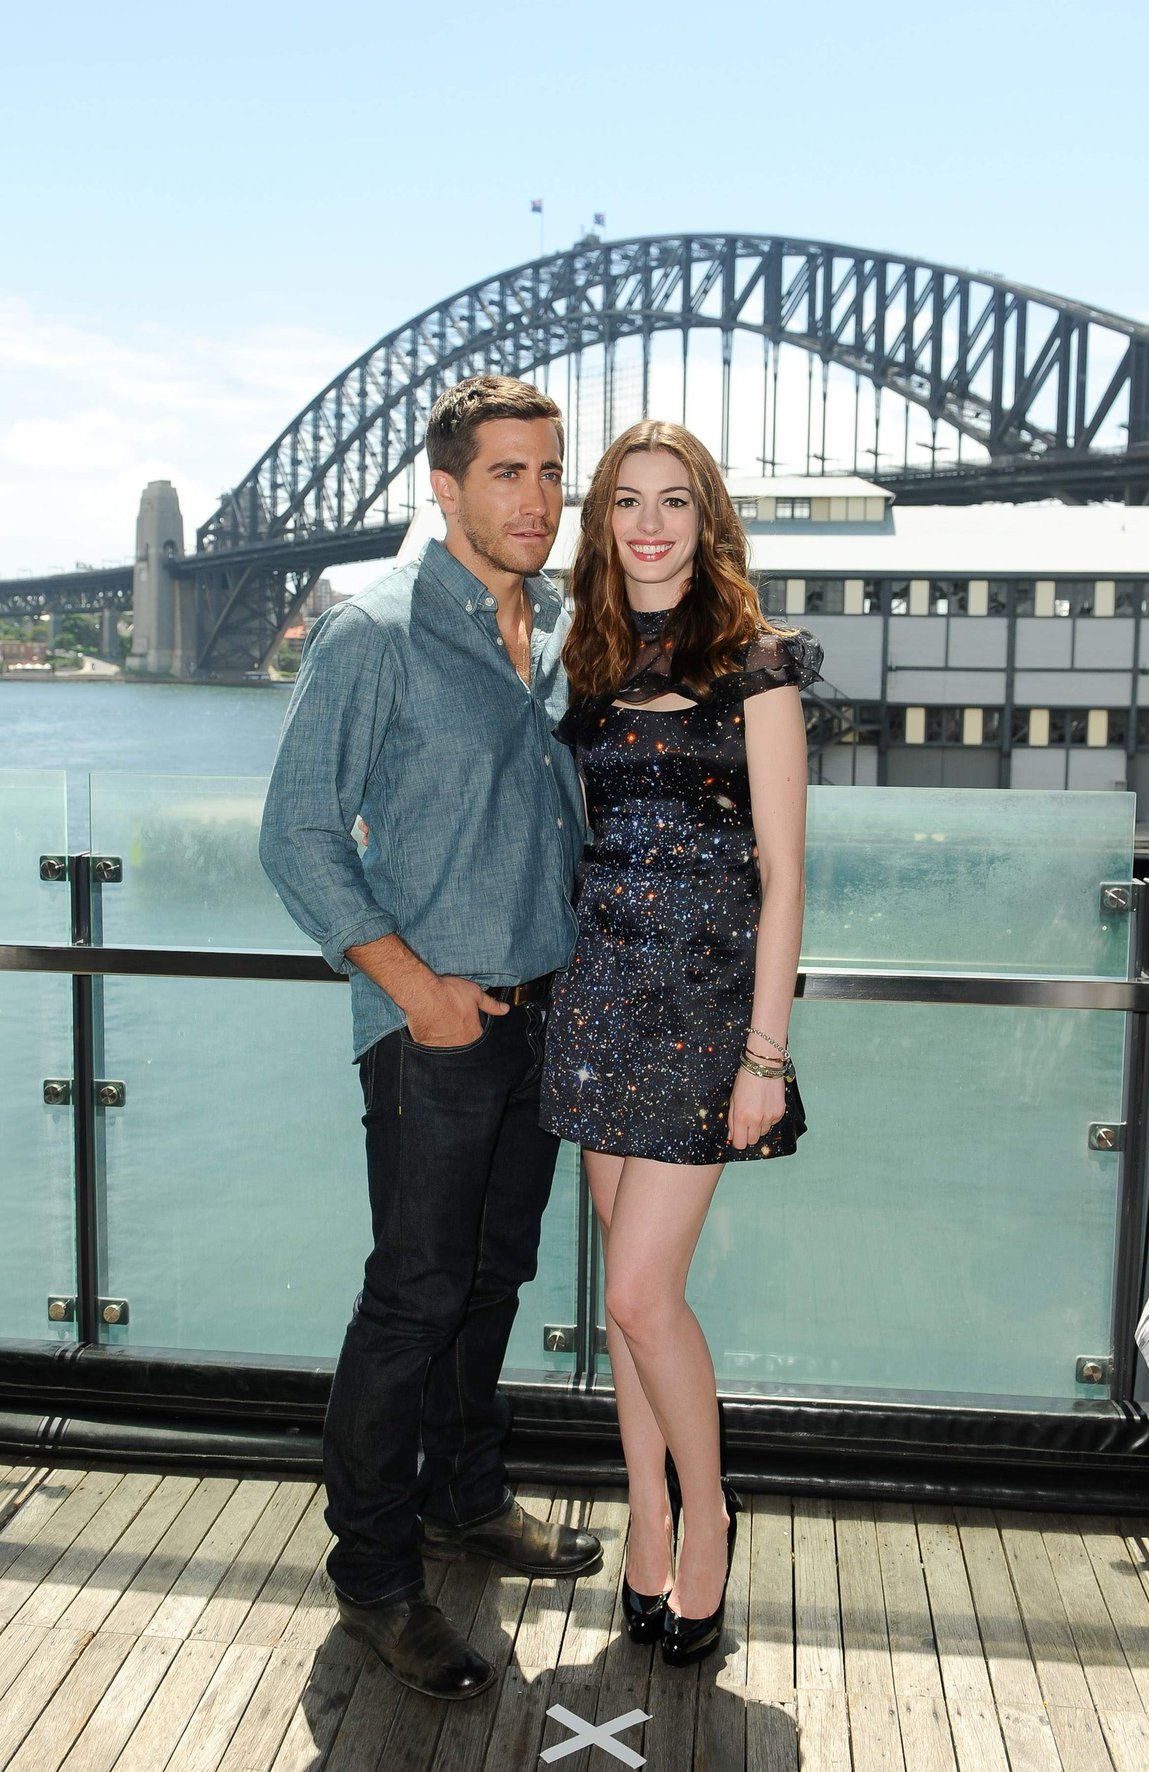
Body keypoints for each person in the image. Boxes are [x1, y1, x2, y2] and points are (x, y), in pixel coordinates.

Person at [259, 375, 600, 1704]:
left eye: (549, 472)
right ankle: (377, 1578)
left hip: (543, 1024)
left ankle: (466, 1500)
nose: (536, 498)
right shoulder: (374, 636)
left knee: (493, 1275)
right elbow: (294, 834)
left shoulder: (564, 631)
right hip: (435, 1031)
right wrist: (416, 985)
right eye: (507, 473)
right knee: (409, 1302)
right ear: (444, 488)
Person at [540, 420, 821, 1666]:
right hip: (597, 997)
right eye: (625, 503)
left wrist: (766, 1054)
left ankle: (707, 1516)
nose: (649, 525)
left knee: (644, 1293)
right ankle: (643, 1519)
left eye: (674, 503)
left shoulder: (754, 665)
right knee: (621, 1291)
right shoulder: (585, 662)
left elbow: (784, 873)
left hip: (705, 1014)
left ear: (707, 524)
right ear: (601, 525)